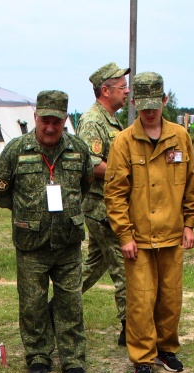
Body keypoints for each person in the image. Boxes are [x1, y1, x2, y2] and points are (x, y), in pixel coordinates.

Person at [0, 90, 94, 373]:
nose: (50, 128)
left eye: (56, 122)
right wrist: (26, 211)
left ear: (65, 121)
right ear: (35, 117)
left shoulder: (78, 149)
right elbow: (0, 189)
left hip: (68, 241)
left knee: (70, 302)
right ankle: (38, 355)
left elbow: (86, 183)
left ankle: (73, 358)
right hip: (31, 242)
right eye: (45, 120)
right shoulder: (17, 149)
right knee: (33, 303)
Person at [104, 72, 194, 373]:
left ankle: (166, 349)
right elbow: (115, 193)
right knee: (142, 301)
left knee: (170, 298)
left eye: (154, 104)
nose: (149, 111)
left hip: (173, 234)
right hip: (139, 239)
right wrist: (125, 234)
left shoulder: (180, 136)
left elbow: (189, 184)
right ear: (133, 103)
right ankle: (142, 358)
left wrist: (189, 223)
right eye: (142, 105)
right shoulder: (123, 142)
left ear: (165, 101)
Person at [78, 62, 131, 346]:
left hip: (107, 204)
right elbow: (92, 163)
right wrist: (126, 175)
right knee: (123, 265)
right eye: (122, 87)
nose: (127, 91)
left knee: (93, 266)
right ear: (105, 90)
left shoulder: (110, 119)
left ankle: (55, 309)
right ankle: (130, 327)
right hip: (102, 208)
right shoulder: (93, 120)